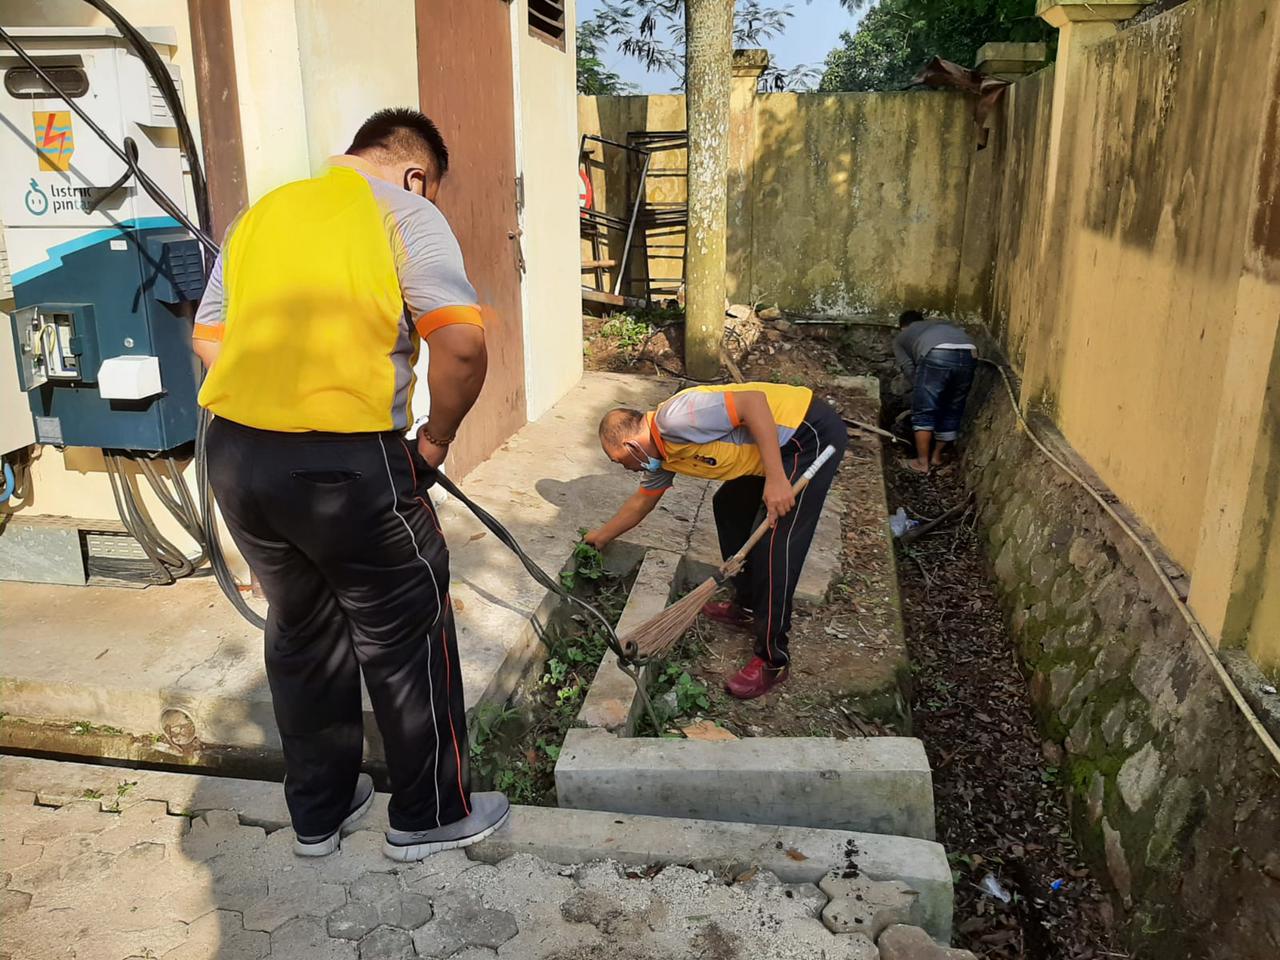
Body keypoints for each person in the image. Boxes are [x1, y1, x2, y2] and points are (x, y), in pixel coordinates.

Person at [191, 108, 508, 863]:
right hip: (345, 460)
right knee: (404, 626)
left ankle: (319, 814)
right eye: (428, 188)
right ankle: (428, 815)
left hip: (236, 458)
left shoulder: (258, 217)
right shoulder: (404, 213)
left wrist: (271, 411)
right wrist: (432, 441)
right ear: (415, 173)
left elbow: (208, 335)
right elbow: (461, 347)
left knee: (302, 629)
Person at [586, 383, 847, 699]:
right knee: (729, 506)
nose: (625, 468)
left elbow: (753, 403)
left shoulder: (676, 420)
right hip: (772, 447)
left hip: (806, 436)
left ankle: (773, 660)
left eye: (619, 461)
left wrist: (777, 479)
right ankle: (747, 606)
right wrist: (600, 537)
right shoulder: (661, 456)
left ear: (630, 445)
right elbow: (641, 503)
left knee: (776, 546)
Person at [893, 310, 977, 474]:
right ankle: (936, 457)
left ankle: (921, 462)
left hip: (937, 352)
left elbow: (909, 368)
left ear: (903, 327)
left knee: (924, 410)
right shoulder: (942, 324)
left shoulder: (901, 337)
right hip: (969, 352)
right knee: (952, 407)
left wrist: (920, 392)